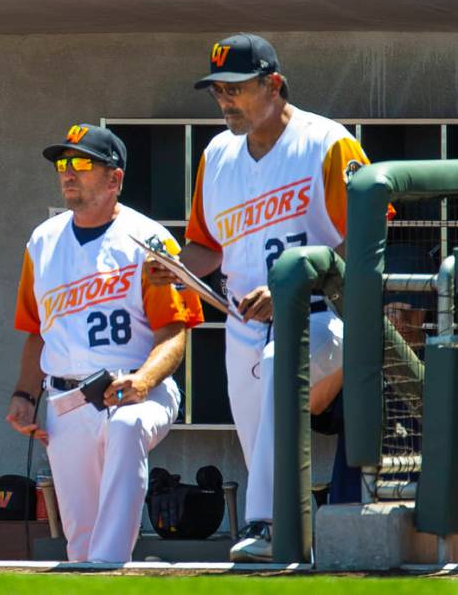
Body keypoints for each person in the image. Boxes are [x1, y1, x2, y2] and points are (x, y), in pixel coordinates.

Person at [146, 33, 375, 561]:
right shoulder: (217, 154)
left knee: (281, 368)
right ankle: (293, 541)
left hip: (324, 315)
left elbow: (364, 245)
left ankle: (268, 528)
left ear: (273, 84)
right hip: (241, 323)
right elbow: (208, 246)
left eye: (236, 89)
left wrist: (294, 287)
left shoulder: (326, 141)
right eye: (217, 91)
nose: (225, 100)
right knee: (261, 444)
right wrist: (175, 269)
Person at [6, 123, 204, 563]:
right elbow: (38, 330)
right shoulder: (42, 241)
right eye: (63, 163)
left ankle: (108, 566)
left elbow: (175, 331)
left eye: (81, 163)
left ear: (115, 178)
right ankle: (96, 570)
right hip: (67, 399)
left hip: (137, 390)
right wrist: (24, 394)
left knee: (126, 426)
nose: (67, 172)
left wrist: (143, 379)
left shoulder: (147, 240)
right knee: (80, 540)